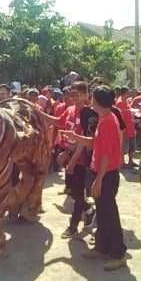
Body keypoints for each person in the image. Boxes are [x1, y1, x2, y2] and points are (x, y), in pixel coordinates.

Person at [61, 85, 127, 272]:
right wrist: (75, 136)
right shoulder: (105, 118)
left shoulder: (107, 121)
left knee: (109, 215)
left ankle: (118, 254)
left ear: (96, 100)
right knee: (103, 214)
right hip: (102, 173)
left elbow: (106, 154)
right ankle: (102, 248)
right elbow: (96, 144)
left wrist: (98, 179)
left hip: (106, 175)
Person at [57, 82, 95, 238]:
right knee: (73, 192)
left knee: (77, 192)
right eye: (72, 94)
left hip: (82, 160)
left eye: (78, 94)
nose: (74, 97)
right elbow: (59, 123)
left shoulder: (89, 114)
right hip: (69, 155)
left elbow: (84, 140)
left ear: (86, 95)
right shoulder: (70, 110)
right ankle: (89, 210)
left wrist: (72, 160)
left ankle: (73, 227)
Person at [116, 87, 137, 167]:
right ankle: (122, 163)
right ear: (124, 93)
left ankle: (131, 161)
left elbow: (128, 112)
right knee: (124, 147)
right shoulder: (120, 102)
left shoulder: (127, 101)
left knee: (132, 146)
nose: (129, 94)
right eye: (128, 92)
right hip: (125, 129)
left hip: (131, 128)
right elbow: (120, 116)